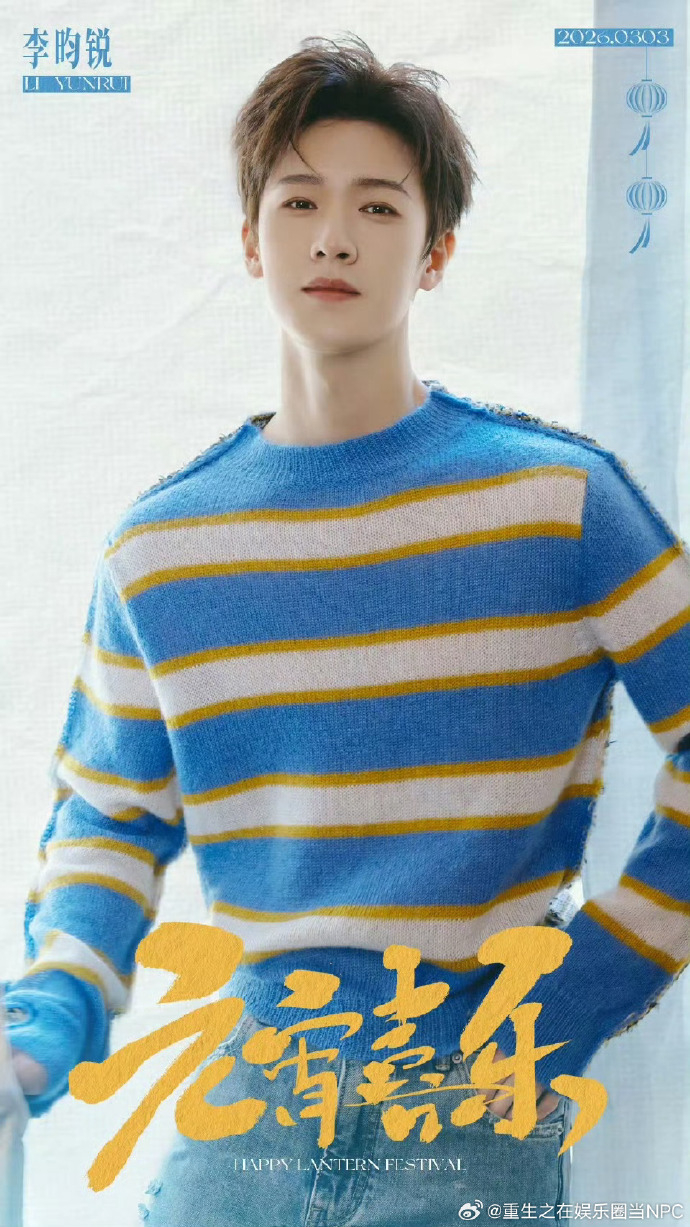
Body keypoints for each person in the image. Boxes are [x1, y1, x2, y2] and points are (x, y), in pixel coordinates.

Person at [4, 32, 690, 1227]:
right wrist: (45, 1024)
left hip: (474, 1091)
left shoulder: (561, 503)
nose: (333, 238)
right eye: (299, 201)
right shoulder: (161, 550)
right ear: (250, 238)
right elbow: (109, 819)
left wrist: (583, 991)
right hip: (254, 1095)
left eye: (378, 206)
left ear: (436, 252)